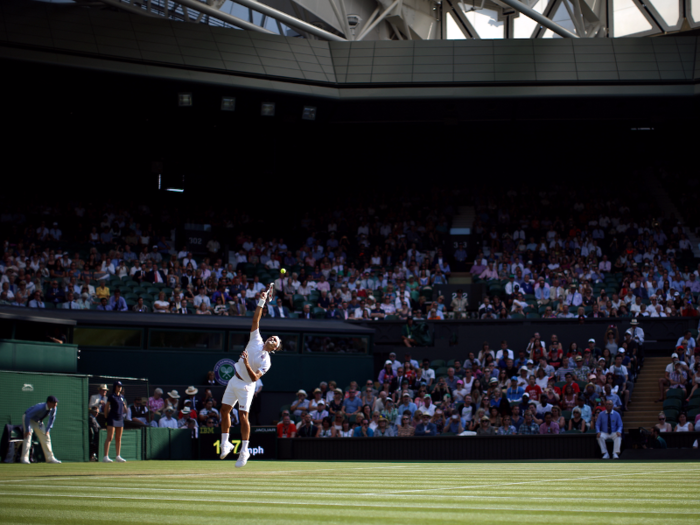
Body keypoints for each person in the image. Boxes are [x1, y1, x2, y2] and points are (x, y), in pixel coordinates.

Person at [219, 283, 280, 468]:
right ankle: (225, 443)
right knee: (224, 410)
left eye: (275, 341)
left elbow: (254, 378)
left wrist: (245, 362)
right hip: (234, 380)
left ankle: (244, 451)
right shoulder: (256, 338)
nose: (272, 339)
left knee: (243, 416)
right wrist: (261, 301)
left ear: (275, 348)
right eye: (272, 337)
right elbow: (256, 320)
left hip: (246, 386)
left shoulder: (267, 361)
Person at [21, 395, 61, 464]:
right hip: (28, 419)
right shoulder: (40, 407)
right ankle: (24, 458)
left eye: (56, 403)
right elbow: (27, 416)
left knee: (46, 437)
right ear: (48, 403)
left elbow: (52, 419)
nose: (55, 404)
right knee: (28, 438)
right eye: (54, 403)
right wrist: (27, 430)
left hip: (38, 421)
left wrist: (48, 429)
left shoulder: (54, 408)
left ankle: (50, 458)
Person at [103, 381, 127, 463]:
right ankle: (105, 456)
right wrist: (106, 418)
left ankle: (118, 456)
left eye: (121, 386)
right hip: (112, 418)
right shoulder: (111, 396)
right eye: (118, 386)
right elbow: (106, 407)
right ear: (115, 387)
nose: (120, 388)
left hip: (120, 418)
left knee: (119, 438)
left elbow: (125, 409)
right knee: (110, 437)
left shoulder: (122, 397)